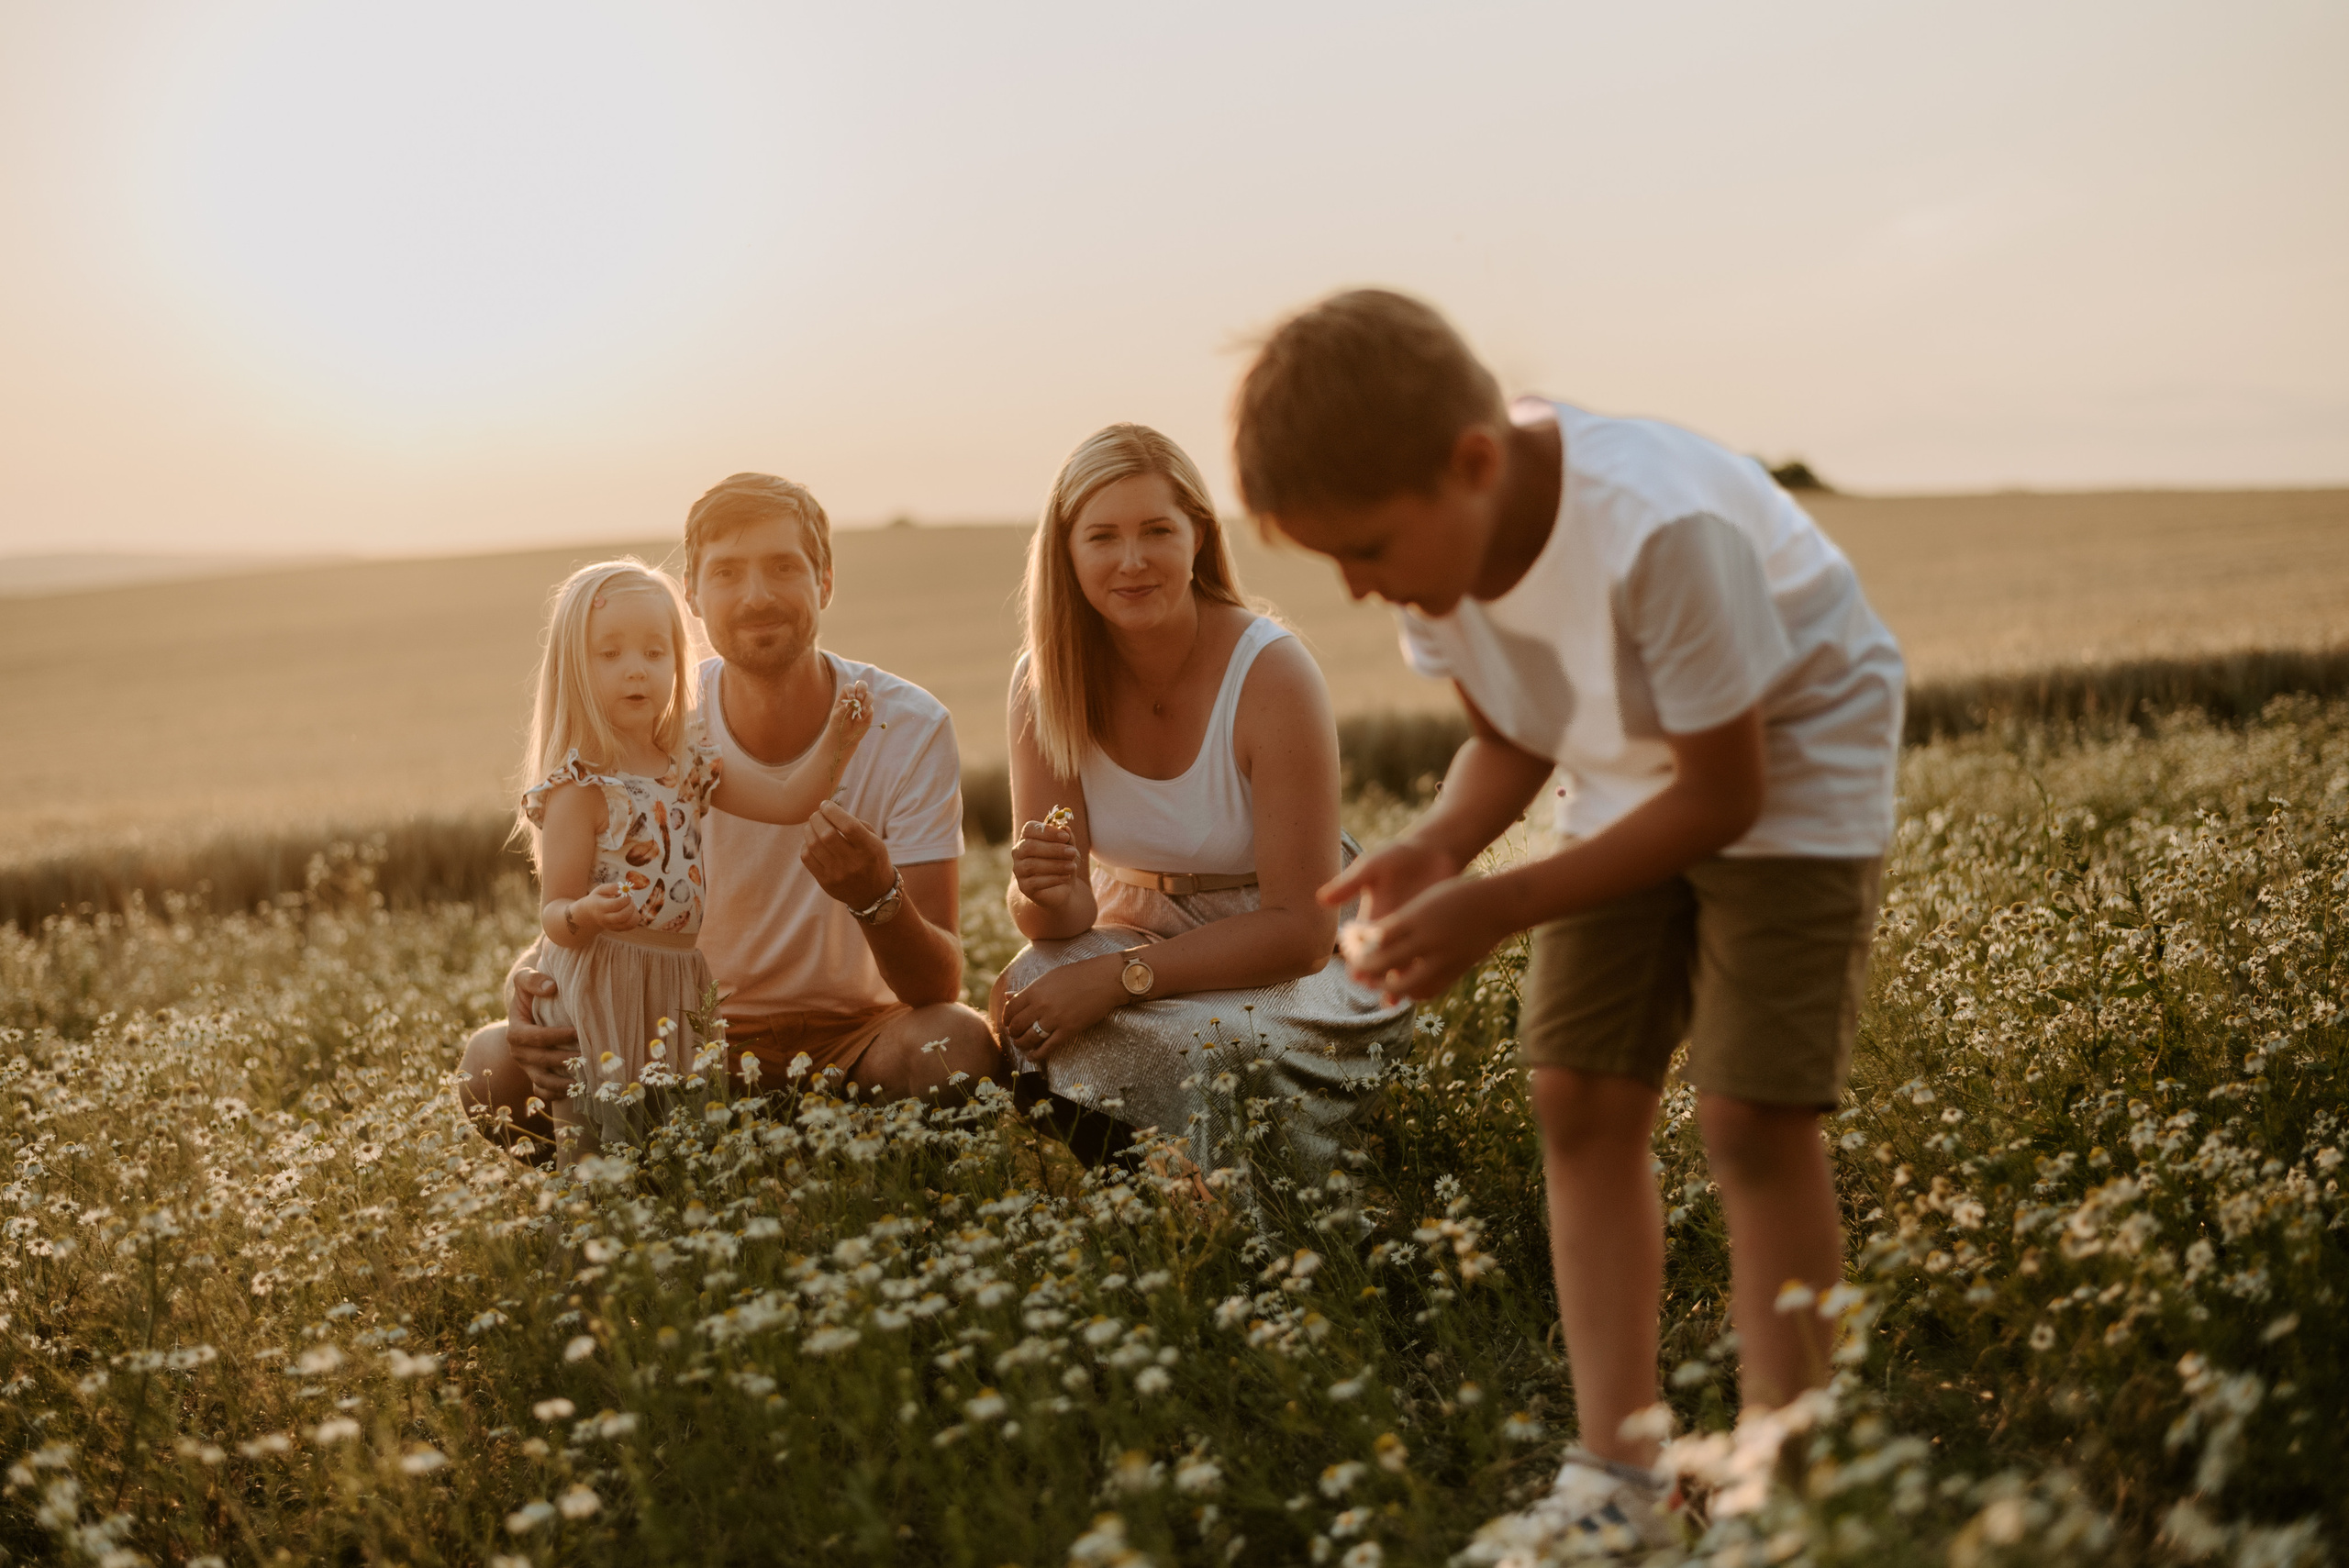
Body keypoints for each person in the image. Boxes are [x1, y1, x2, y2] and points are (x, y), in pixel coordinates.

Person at [1233, 290, 1903, 1549]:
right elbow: (1517, 728)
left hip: (1794, 752)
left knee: (1753, 1115)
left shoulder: (1661, 530)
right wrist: (1439, 846)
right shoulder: (1441, 549)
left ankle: (1799, 1489)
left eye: (1366, 548)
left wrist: (1496, 902)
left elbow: (1722, 792)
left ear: (1472, 465)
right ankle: (1623, 1480)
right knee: (1578, 1091)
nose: (1362, 590)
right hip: (1634, 757)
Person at [461, 474, 1002, 1154]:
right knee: (493, 1065)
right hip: (685, 1034)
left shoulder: (909, 724)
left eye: (783, 567)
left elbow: (938, 981)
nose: (756, 596)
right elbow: (587, 890)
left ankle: (809, 1173)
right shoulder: (655, 723)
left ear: (825, 581)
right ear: (691, 593)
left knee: (957, 1047)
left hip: (857, 1041)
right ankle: (637, 1200)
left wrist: (876, 896)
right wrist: (533, 986)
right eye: (726, 572)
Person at [992, 424, 1412, 1176]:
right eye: (1102, 536)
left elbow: (1301, 931)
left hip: (1287, 946)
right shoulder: (1042, 680)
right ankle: (1146, 1200)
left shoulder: (1273, 672)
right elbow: (1066, 920)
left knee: (1220, 1045)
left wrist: (1115, 980)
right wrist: (1042, 892)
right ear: (1066, 551)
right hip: (1136, 923)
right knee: (1027, 992)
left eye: (1157, 529)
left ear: (1199, 537)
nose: (1131, 560)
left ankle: (1260, 1229)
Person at [514, 558, 875, 1152]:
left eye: (655, 652)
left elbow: (788, 799)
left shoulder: (689, 765)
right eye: (611, 654)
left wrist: (840, 742)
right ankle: (590, 1242)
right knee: (599, 1145)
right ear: (574, 668)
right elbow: (554, 913)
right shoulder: (579, 786)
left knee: (679, 1140)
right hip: (604, 979)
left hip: (679, 978)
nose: (637, 670)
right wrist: (588, 914)